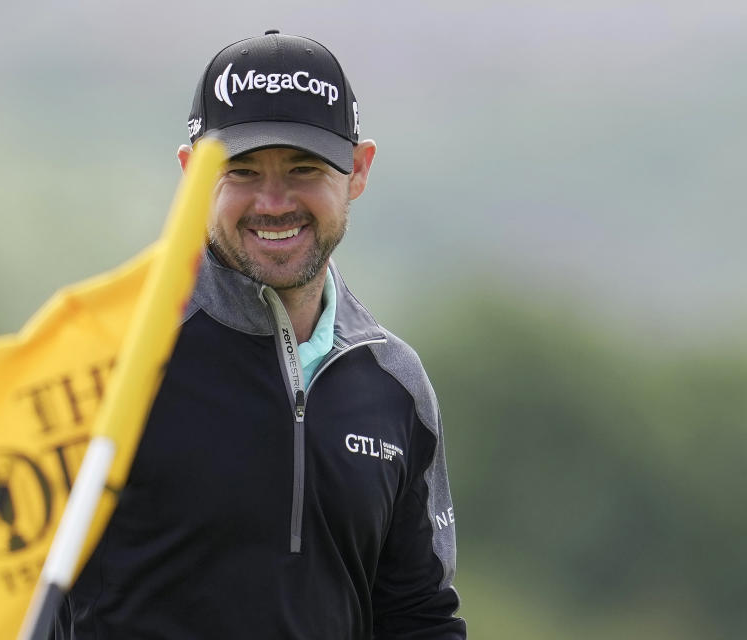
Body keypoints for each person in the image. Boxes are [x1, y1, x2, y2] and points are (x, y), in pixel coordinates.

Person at [55, 30, 465, 639]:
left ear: (358, 169)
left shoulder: (395, 386)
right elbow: (21, 593)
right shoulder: (113, 358)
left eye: (303, 169)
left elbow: (418, 620)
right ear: (192, 175)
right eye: (241, 172)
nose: (273, 203)